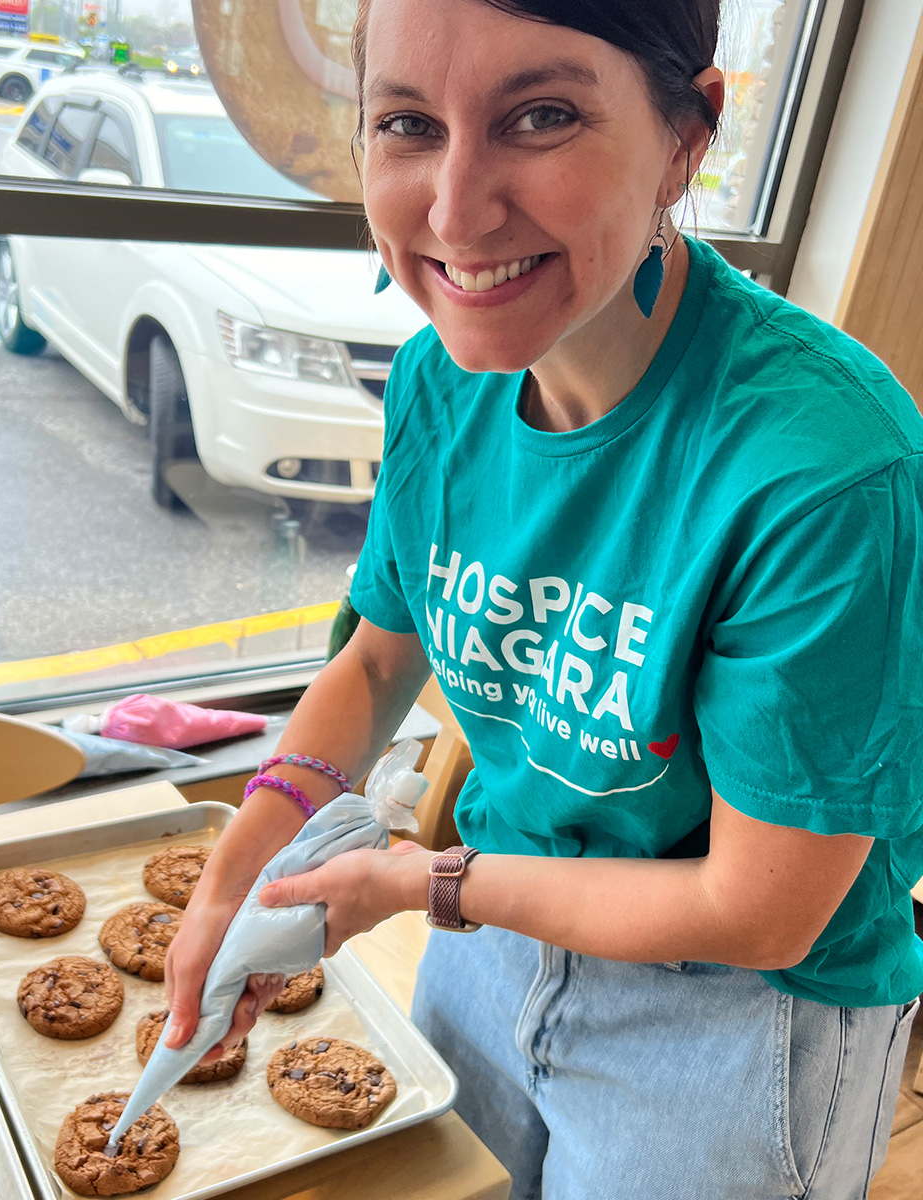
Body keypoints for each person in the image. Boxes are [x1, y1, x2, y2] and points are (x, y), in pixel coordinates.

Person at [163, 1, 923, 1195]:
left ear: (687, 133)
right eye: (408, 122)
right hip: (494, 934)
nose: (456, 212)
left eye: (543, 116)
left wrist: (416, 884)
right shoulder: (438, 379)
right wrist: (233, 873)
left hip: (735, 1017)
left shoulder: (820, 465)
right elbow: (374, 664)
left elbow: (759, 910)